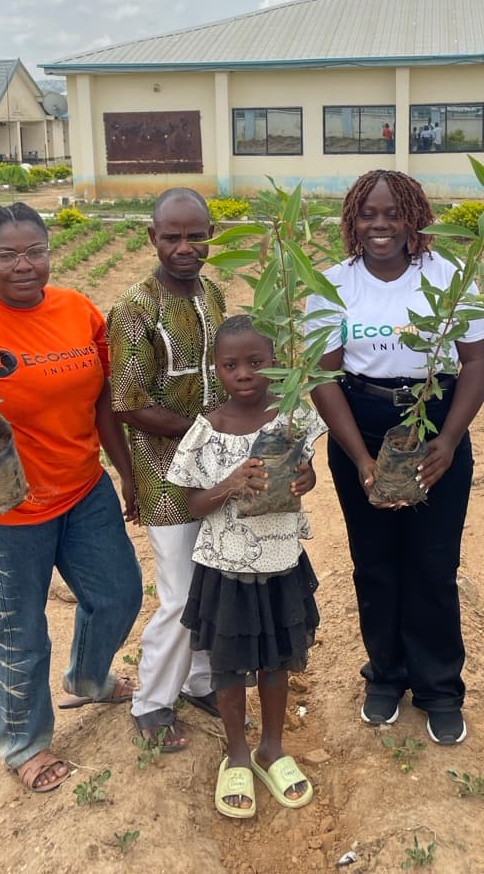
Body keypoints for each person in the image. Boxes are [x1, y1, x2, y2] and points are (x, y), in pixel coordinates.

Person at [0, 202, 142, 793]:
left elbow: (102, 398)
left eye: (35, 250)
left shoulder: (77, 310)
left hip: (82, 490)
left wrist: (124, 470)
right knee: (21, 629)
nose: (24, 265)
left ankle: (88, 678)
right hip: (6, 513)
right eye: (8, 254)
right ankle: (25, 744)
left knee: (118, 594)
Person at [306, 170, 484, 743]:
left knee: (433, 563)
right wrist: (360, 458)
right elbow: (323, 375)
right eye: (368, 214)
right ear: (352, 221)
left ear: (414, 218)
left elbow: (476, 362)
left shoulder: (447, 276)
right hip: (360, 422)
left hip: (434, 421)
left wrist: (450, 440)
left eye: (393, 213)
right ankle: (385, 675)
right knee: (375, 561)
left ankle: (439, 688)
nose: (380, 225)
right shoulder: (333, 284)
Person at [167, 315, 322, 819]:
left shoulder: (292, 418)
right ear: (216, 368)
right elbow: (193, 504)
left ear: (275, 362)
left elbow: (308, 475)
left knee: (277, 660)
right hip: (226, 568)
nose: (244, 374)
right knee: (229, 665)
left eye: (256, 362)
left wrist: (305, 479)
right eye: (231, 365)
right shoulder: (207, 431)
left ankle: (271, 748)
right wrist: (232, 483)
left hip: (280, 561)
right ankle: (236, 751)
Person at [107, 187, 226, 750]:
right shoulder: (137, 308)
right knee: (180, 592)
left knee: (211, 577)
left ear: (210, 236)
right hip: (164, 470)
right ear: (152, 237)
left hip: (215, 464)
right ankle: (152, 700)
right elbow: (127, 402)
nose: (185, 247)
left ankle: (200, 679)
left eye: (195, 236)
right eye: (172, 237)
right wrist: (205, 433)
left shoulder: (213, 294)